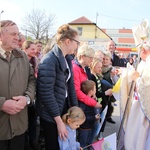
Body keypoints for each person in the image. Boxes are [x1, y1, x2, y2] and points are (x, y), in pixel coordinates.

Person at [35, 24, 79, 150]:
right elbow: (46, 93)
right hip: (50, 113)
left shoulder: (67, 59)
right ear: (68, 41)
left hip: (62, 106)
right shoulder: (49, 60)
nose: (77, 46)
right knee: (53, 145)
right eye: (77, 42)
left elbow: (70, 86)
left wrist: (75, 109)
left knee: (63, 144)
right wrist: (59, 122)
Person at [0, 20, 35, 150]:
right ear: (0, 35)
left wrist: (27, 98)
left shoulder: (23, 57)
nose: (17, 38)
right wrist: (2, 104)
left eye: (18, 34)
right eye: (13, 34)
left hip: (19, 125)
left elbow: (32, 80)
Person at [124, 42, 150, 150]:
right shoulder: (144, 62)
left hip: (144, 108)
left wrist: (136, 79)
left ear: (143, 50)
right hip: (140, 104)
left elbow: (146, 87)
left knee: (141, 136)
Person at [22, 40, 39, 150]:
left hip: (33, 95)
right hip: (23, 94)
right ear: (25, 49)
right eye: (32, 49)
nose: (35, 51)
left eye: (35, 49)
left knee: (32, 120)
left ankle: (32, 141)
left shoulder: (36, 60)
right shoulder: (21, 60)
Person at [90, 58, 112, 139]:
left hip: (99, 101)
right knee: (95, 124)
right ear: (93, 66)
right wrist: (105, 93)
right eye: (98, 67)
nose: (100, 69)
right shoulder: (92, 76)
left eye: (101, 67)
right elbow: (95, 93)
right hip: (96, 103)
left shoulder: (96, 76)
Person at [79, 80, 101, 149]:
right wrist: (94, 117)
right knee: (83, 144)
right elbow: (83, 117)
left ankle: (89, 145)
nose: (96, 90)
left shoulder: (91, 99)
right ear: (91, 92)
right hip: (84, 128)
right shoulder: (83, 103)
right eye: (95, 89)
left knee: (88, 141)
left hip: (90, 125)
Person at [102, 51, 119, 124]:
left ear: (110, 61)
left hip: (109, 91)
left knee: (109, 106)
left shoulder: (112, 70)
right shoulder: (98, 67)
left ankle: (108, 117)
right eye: (104, 59)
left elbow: (116, 81)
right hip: (101, 91)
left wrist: (113, 76)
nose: (105, 61)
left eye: (107, 59)